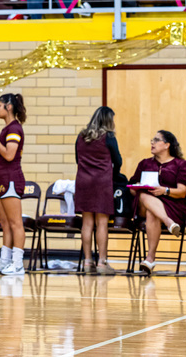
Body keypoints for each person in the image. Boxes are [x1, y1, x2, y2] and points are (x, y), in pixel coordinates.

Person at [131, 130, 186, 274]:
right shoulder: (145, 163)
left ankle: (150, 259)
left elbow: (182, 192)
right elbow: (132, 190)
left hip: (173, 206)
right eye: (152, 140)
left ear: (167, 145)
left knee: (151, 213)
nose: (152, 142)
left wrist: (165, 190)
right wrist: (138, 186)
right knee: (144, 197)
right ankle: (168, 223)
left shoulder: (181, 165)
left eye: (156, 140)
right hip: (144, 203)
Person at [0, 94, 29, 276]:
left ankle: (17, 264)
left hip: (11, 179)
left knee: (15, 223)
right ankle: (4, 262)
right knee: (5, 224)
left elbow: (9, 155)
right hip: (2, 181)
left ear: (9, 107)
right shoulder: (7, 129)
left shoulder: (14, 129)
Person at [74, 107, 122, 275]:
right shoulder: (108, 137)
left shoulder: (81, 136)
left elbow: (77, 159)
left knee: (87, 223)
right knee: (102, 223)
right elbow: (118, 160)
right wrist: (112, 175)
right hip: (102, 182)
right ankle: (102, 262)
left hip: (83, 181)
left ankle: (88, 262)